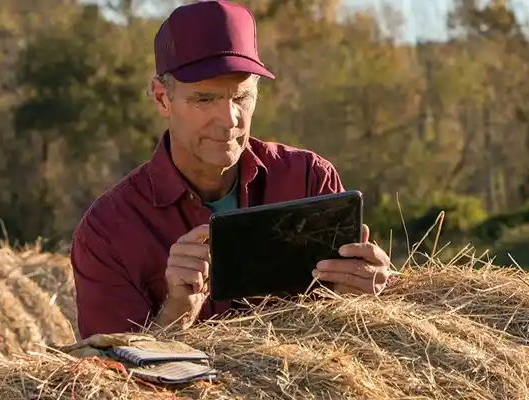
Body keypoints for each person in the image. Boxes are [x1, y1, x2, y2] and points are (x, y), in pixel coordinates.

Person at [69, 0, 394, 339]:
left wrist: (369, 293)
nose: (229, 121)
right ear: (162, 98)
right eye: (204, 99)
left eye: (241, 97)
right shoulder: (108, 232)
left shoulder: (308, 179)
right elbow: (111, 377)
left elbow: (351, 332)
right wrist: (177, 312)